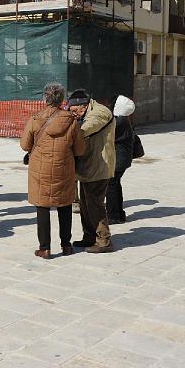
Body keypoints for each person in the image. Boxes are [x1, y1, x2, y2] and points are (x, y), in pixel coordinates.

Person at [20, 83, 86, 259]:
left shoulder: (35, 119)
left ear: (44, 98)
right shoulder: (71, 120)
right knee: (64, 206)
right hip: (64, 169)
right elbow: (80, 150)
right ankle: (66, 245)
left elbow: (24, 145)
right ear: (62, 99)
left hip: (40, 169)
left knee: (42, 207)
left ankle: (45, 248)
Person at [68, 89, 116, 253]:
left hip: (99, 166)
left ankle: (104, 241)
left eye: (74, 111)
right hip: (88, 166)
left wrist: (66, 134)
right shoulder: (85, 113)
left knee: (94, 204)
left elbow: (85, 129)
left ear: (83, 106)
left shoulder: (100, 112)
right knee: (85, 205)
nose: (73, 114)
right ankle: (89, 236)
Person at [107, 95, 135, 224]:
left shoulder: (119, 122)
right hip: (122, 159)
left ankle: (113, 215)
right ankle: (119, 214)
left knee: (111, 185)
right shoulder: (124, 120)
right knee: (115, 185)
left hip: (119, 159)